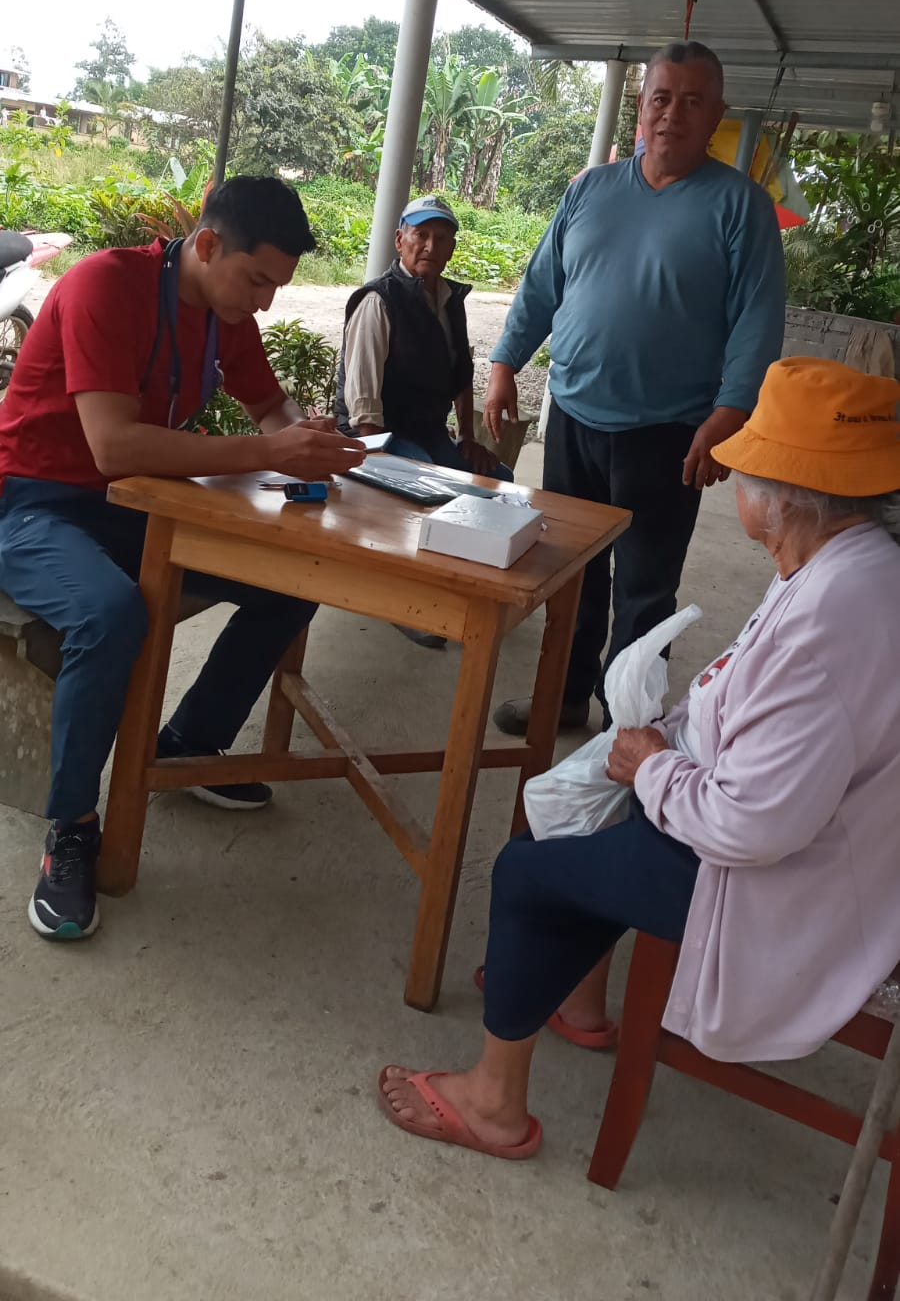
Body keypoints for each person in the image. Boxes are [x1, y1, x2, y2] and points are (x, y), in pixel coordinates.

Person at [377, 356, 900, 1160]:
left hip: (782, 877)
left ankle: (493, 1105)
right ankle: (577, 1006)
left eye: (748, 468)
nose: (736, 483)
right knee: (592, 813)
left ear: (787, 495)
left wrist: (653, 766)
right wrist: (663, 746)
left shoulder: (830, 620)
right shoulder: (852, 564)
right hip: (819, 839)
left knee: (528, 870)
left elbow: (752, 826)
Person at [0, 175, 365, 941]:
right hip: (33, 502)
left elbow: (270, 407)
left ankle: (188, 745)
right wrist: (270, 453)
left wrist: (308, 440)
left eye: (277, 285)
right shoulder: (105, 285)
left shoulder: (225, 313)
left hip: (136, 505)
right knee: (110, 614)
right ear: (206, 245)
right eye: (257, 280)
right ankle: (72, 827)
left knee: (290, 577)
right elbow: (113, 447)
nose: (266, 302)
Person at [485, 41, 785, 739]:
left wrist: (729, 415)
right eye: (661, 97)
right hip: (574, 417)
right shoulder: (590, 190)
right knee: (571, 573)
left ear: (716, 114)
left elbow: (757, 322)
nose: (673, 113)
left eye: (692, 101)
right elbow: (542, 285)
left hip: (669, 431)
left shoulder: (740, 206)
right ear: (641, 106)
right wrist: (504, 363)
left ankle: (628, 733)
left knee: (646, 592)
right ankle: (563, 699)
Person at [334, 194, 512, 480]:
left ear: (451, 249)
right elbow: (363, 401)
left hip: (426, 433)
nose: (430, 246)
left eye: (441, 238)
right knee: (430, 479)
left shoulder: (450, 300)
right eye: (421, 235)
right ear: (399, 240)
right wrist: (381, 467)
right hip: (372, 436)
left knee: (498, 479)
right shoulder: (378, 300)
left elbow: (461, 373)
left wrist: (467, 437)